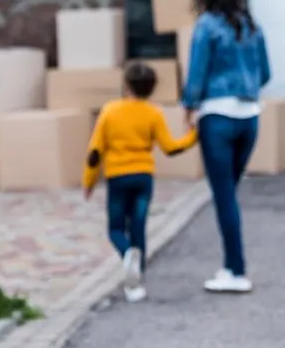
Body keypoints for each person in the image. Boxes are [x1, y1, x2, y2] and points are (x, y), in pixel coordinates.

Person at [181, 0, 272, 294]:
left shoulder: (206, 25)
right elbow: (265, 73)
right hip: (249, 118)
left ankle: (236, 270)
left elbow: (196, 74)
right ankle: (231, 266)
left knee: (224, 197)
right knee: (228, 194)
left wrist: (189, 106)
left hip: (216, 117)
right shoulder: (250, 24)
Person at [82, 60, 198, 303]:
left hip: (117, 177)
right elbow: (170, 148)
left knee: (115, 229)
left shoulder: (110, 111)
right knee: (138, 228)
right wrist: (194, 136)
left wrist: (89, 182)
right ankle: (136, 284)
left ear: (125, 84)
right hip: (143, 177)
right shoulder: (153, 113)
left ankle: (126, 256)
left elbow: (95, 152)